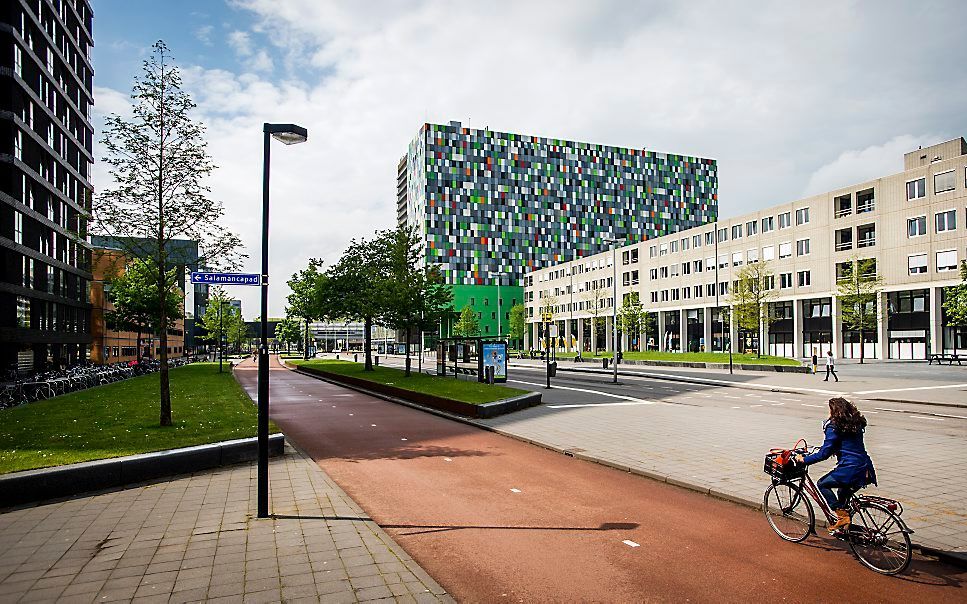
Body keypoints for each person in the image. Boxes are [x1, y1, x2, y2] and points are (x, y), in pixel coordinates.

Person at [796, 397, 876, 532]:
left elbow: (824, 454)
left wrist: (804, 460)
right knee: (842, 492)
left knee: (822, 484)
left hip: (850, 469)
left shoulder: (833, 426)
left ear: (834, 411)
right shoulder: (854, 423)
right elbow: (843, 445)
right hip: (865, 467)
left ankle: (842, 517)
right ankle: (846, 527)